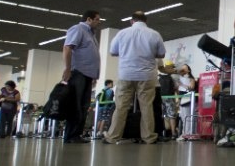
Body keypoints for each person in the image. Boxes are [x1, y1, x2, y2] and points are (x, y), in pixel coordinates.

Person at [104, 11, 166, 146]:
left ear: (131, 21)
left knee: (121, 107)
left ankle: (113, 136)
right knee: (146, 107)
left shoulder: (122, 33)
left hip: (126, 74)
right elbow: (161, 54)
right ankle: (148, 137)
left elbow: (113, 51)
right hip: (147, 76)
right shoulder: (154, 34)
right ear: (146, 21)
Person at [62, 10, 102, 144]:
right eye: (97, 19)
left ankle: (76, 134)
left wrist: (94, 75)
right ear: (89, 19)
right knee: (76, 105)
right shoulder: (78, 29)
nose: (99, 22)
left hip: (87, 75)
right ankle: (70, 135)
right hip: (78, 72)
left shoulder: (91, 34)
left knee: (84, 105)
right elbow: (67, 48)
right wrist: (67, 69)